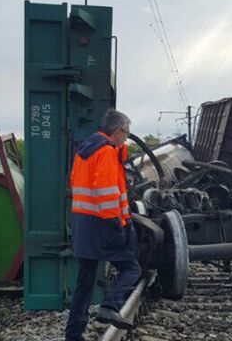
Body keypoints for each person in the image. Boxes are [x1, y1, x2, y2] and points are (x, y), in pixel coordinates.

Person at [65, 110, 141, 341]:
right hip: (102, 223)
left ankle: (73, 334)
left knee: (84, 282)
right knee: (132, 268)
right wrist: (116, 226)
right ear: (117, 131)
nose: (126, 139)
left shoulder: (85, 151)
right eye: (126, 134)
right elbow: (107, 193)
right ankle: (109, 306)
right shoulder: (106, 152)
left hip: (82, 223)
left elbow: (75, 182)